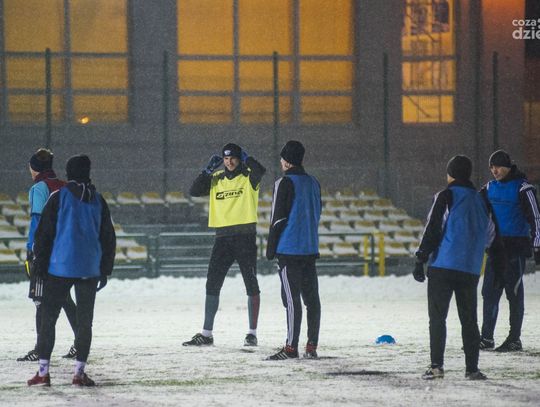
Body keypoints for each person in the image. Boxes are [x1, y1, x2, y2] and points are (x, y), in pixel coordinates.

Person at [27, 155, 116, 387]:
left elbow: (44, 233)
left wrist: (40, 264)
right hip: (89, 268)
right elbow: (108, 237)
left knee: (49, 319)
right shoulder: (98, 200)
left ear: (68, 173)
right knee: (85, 322)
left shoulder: (59, 197)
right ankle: (79, 373)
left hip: (60, 266)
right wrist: (105, 269)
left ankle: (43, 373)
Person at [414, 155, 502, 380]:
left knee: (437, 318)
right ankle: (472, 369)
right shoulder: (482, 200)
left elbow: (433, 228)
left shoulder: (445, 196)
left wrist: (420, 258)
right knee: (469, 319)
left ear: (451, 173)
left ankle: (436, 366)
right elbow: (491, 236)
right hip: (470, 269)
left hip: (443, 266)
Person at [183, 143, 265, 347]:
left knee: (251, 284)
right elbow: (194, 191)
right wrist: (206, 171)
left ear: (239, 158)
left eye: (233, 158)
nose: (229, 162)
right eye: (226, 158)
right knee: (212, 283)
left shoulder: (248, 176)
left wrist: (247, 158)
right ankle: (206, 334)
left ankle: (252, 333)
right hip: (222, 238)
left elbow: (261, 170)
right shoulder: (216, 178)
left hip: (245, 237)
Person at [17, 148, 78, 362]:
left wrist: (31, 250)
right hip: (65, 251)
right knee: (66, 299)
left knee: (40, 300)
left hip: (45, 252)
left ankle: (39, 349)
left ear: (35, 168)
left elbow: (37, 220)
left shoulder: (39, 188)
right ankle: (80, 343)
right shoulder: (64, 186)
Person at [266, 140, 322, 360]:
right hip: (309, 248)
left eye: (282, 158)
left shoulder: (284, 183)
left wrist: (271, 249)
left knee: (291, 300)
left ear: (287, 161)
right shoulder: (314, 182)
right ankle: (311, 346)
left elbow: (277, 219)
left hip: (289, 250)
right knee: (312, 300)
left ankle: (290, 348)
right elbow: (317, 211)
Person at [480, 150, 540, 352]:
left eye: (497, 167)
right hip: (496, 248)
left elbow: (536, 217)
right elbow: (475, 208)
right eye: (491, 167)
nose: (494, 170)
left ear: (507, 167)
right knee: (489, 293)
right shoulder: (489, 188)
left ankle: (514, 339)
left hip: (515, 248)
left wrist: (537, 244)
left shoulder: (524, 188)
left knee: (513, 294)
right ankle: (486, 338)